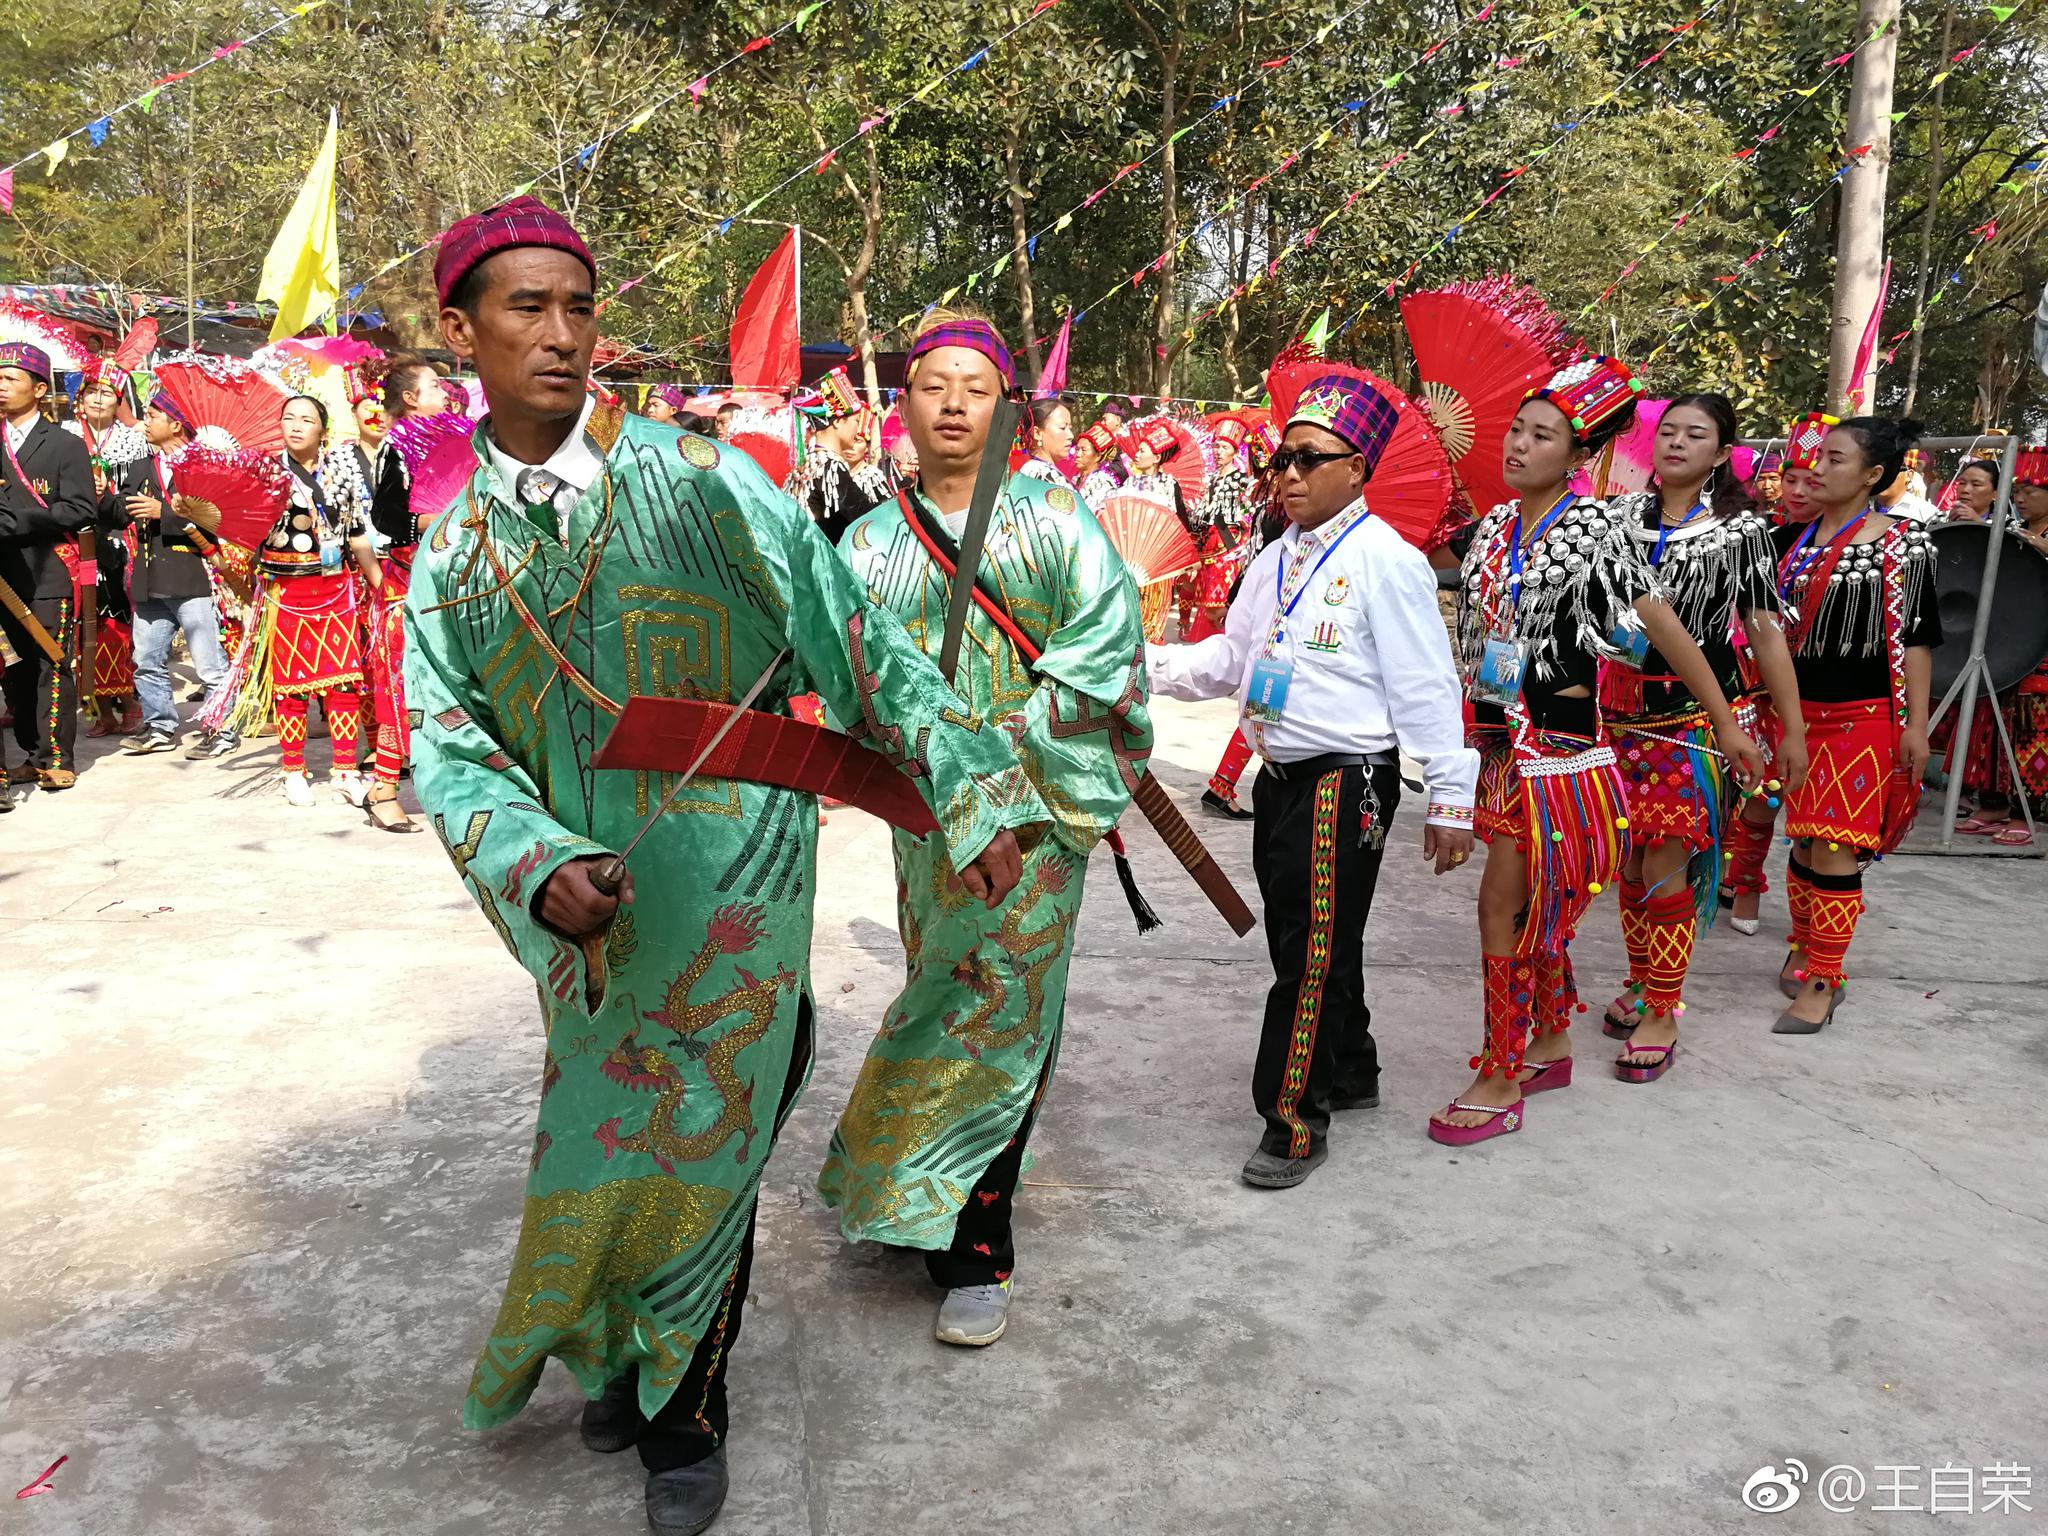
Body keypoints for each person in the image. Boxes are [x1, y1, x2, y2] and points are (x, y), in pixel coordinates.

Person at [403, 197, 1033, 1536]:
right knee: (600, 1136)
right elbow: (448, 752)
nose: (564, 337)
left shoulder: (699, 482)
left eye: (581, 307)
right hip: (588, 914)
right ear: (457, 329)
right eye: (527, 308)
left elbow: (854, 640)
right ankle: (626, 1352)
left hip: (737, 882)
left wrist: (973, 797)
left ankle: (686, 1408)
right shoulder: (455, 557)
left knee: (706, 1138)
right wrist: (532, 863)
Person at [816, 309, 1150, 1348]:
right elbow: (851, 681)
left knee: (1005, 1010)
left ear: (1007, 405)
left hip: (1037, 816)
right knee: (936, 993)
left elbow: (1105, 655)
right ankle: (914, 1182)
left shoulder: (1054, 521)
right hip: (925, 824)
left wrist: (1002, 744)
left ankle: (975, 1244)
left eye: (976, 385)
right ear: (898, 406)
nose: (954, 401)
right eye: (933, 384)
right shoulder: (865, 542)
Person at [1148, 361, 1477, 1186]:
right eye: (1281, 460)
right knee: (1323, 939)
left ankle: (1293, 1119)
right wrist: (1140, 664)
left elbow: (1427, 684)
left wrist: (1450, 795)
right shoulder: (1275, 558)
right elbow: (1232, 658)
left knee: (1310, 955)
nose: (1287, 476)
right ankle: (1353, 1065)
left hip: (1346, 782)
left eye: (1309, 461)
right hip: (1282, 780)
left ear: (1356, 470)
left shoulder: (1387, 562)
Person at [1431, 356, 1762, 1145]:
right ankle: (1547, 1042)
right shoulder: (1493, 530)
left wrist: (1724, 721)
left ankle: (1500, 1070)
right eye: (1516, 429)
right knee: (1534, 913)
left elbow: (1662, 626)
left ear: (1578, 457)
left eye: (1542, 435)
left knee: (1500, 910)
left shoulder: (1593, 531)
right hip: (1498, 748)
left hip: (1559, 754)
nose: (1518, 445)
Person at [1595, 394, 1806, 1079]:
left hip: (1693, 717)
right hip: (1616, 713)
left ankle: (1663, 1006)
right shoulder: (1615, 520)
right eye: (1669, 432)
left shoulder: (1738, 533)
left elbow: (1765, 632)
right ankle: (1639, 980)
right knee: (1629, 860)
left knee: (1667, 861)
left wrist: (1792, 729)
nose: (1677, 443)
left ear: (1720, 454)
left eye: (1697, 435)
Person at [1770, 417, 1939, 1032]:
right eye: (1818, 457)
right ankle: (1801, 937)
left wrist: (1916, 725)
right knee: (1805, 838)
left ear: (1872, 476)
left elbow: (1919, 640)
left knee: (1838, 844)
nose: (1818, 468)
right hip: (1791, 717)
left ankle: (1824, 978)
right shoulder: (1785, 540)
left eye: (1835, 460)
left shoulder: (1904, 546)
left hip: (1863, 719)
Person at [229, 394, 381, 807]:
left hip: (336, 587)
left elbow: (356, 533)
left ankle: (346, 770)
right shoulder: (264, 473)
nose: (295, 426)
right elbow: (243, 532)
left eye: (306, 419)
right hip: (287, 590)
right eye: (288, 418)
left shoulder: (343, 471)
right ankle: (293, 771)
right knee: (291, 688)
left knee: (345, 681)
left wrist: (377, 580)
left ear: (323, 430)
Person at [1721, 411, 1832, 929]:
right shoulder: (1760, 537)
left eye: (1814, 480)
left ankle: (1810, 928)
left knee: (1816, 819)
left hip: (1828, 697)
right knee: (1760, 798)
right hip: (1761, 689)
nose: (1800, 490)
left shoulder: (1850, 540)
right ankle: (1745, 888)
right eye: (1791, 479)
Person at [360, 352, 456, 832]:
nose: (444, 392)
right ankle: (382, 788)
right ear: (410, 398)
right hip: (406, 587)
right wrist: (438, 519)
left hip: (450, 584)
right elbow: (387, 518)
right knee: (401, 689)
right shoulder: (396, 446)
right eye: (434, 386)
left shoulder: (454, 443)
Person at [109, 393, 229, 755]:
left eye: (152, 415)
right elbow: (122, 511)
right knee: (146, 660)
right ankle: (159, 725)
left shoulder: (205, 467)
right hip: (149, 577)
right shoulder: (141, 467)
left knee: (209, 665)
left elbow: (217, 520)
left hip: (191, 575)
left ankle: (221, 729)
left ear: (176, 424)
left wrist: (166, 514)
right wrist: (100, 497)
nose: (145, 421)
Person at [0, 342, 95, 792]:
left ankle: (56, 757)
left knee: (50, 664)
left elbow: (81, 509)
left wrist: (19, 521)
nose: (0, 385)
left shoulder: (65, 444)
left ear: (39, 389)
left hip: (46, 573)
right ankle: (27, 754)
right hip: (1, 576)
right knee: (12, 671)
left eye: (10, 378)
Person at [67, 363, 146, 737]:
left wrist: (107, 495)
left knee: (119, 619)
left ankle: (130, 700)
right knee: (87, 621)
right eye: (91, 393)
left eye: (107, 395)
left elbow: (136, 495)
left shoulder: (132, 441)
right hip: (75, 540)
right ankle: (101, 709)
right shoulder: (65, 436)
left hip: (119, 538)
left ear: (119, 404)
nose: (99, 400)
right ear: (79, 401)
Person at [785, 366, 890, 544]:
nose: (858, 431)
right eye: (856, 421)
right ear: (838, 421)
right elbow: (864, 513)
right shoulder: (830, 467)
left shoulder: (808, 464)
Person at [1020, 396, 1076, 485]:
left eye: (1070, 428)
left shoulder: (1038, 470)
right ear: (1037, 433)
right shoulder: (1041, 474)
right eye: (1062, 428)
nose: (1071, 436)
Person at [1073, 420, 1120, 509]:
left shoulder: (1103, 483)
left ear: (1098, 456)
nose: (1078, 455)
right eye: (1077, 449)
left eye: (1083, 450)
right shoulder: (1075, 479)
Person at [1947, 457, 2001, 523]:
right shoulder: (1938, 520)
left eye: (1976, 484)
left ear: (1995, 494)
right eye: (1962, 483)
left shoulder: (2006, 526)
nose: (1965, 490)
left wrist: (1979, 524)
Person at [1751, 450, 1783, 516]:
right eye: (1761, 479)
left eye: (1773, 479)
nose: (1766, 486)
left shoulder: (1793, 512)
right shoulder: (1746, 510)